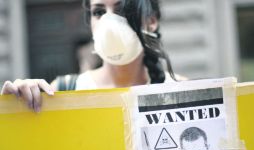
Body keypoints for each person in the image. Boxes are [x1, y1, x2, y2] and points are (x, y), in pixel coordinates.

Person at [1, 0, 182, 112]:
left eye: (122, 10)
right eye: (98, 12)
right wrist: (15, 109)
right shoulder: (64, 91)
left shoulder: (181, 91)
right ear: (91, 23)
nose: (109, 21)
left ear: (151, 21)